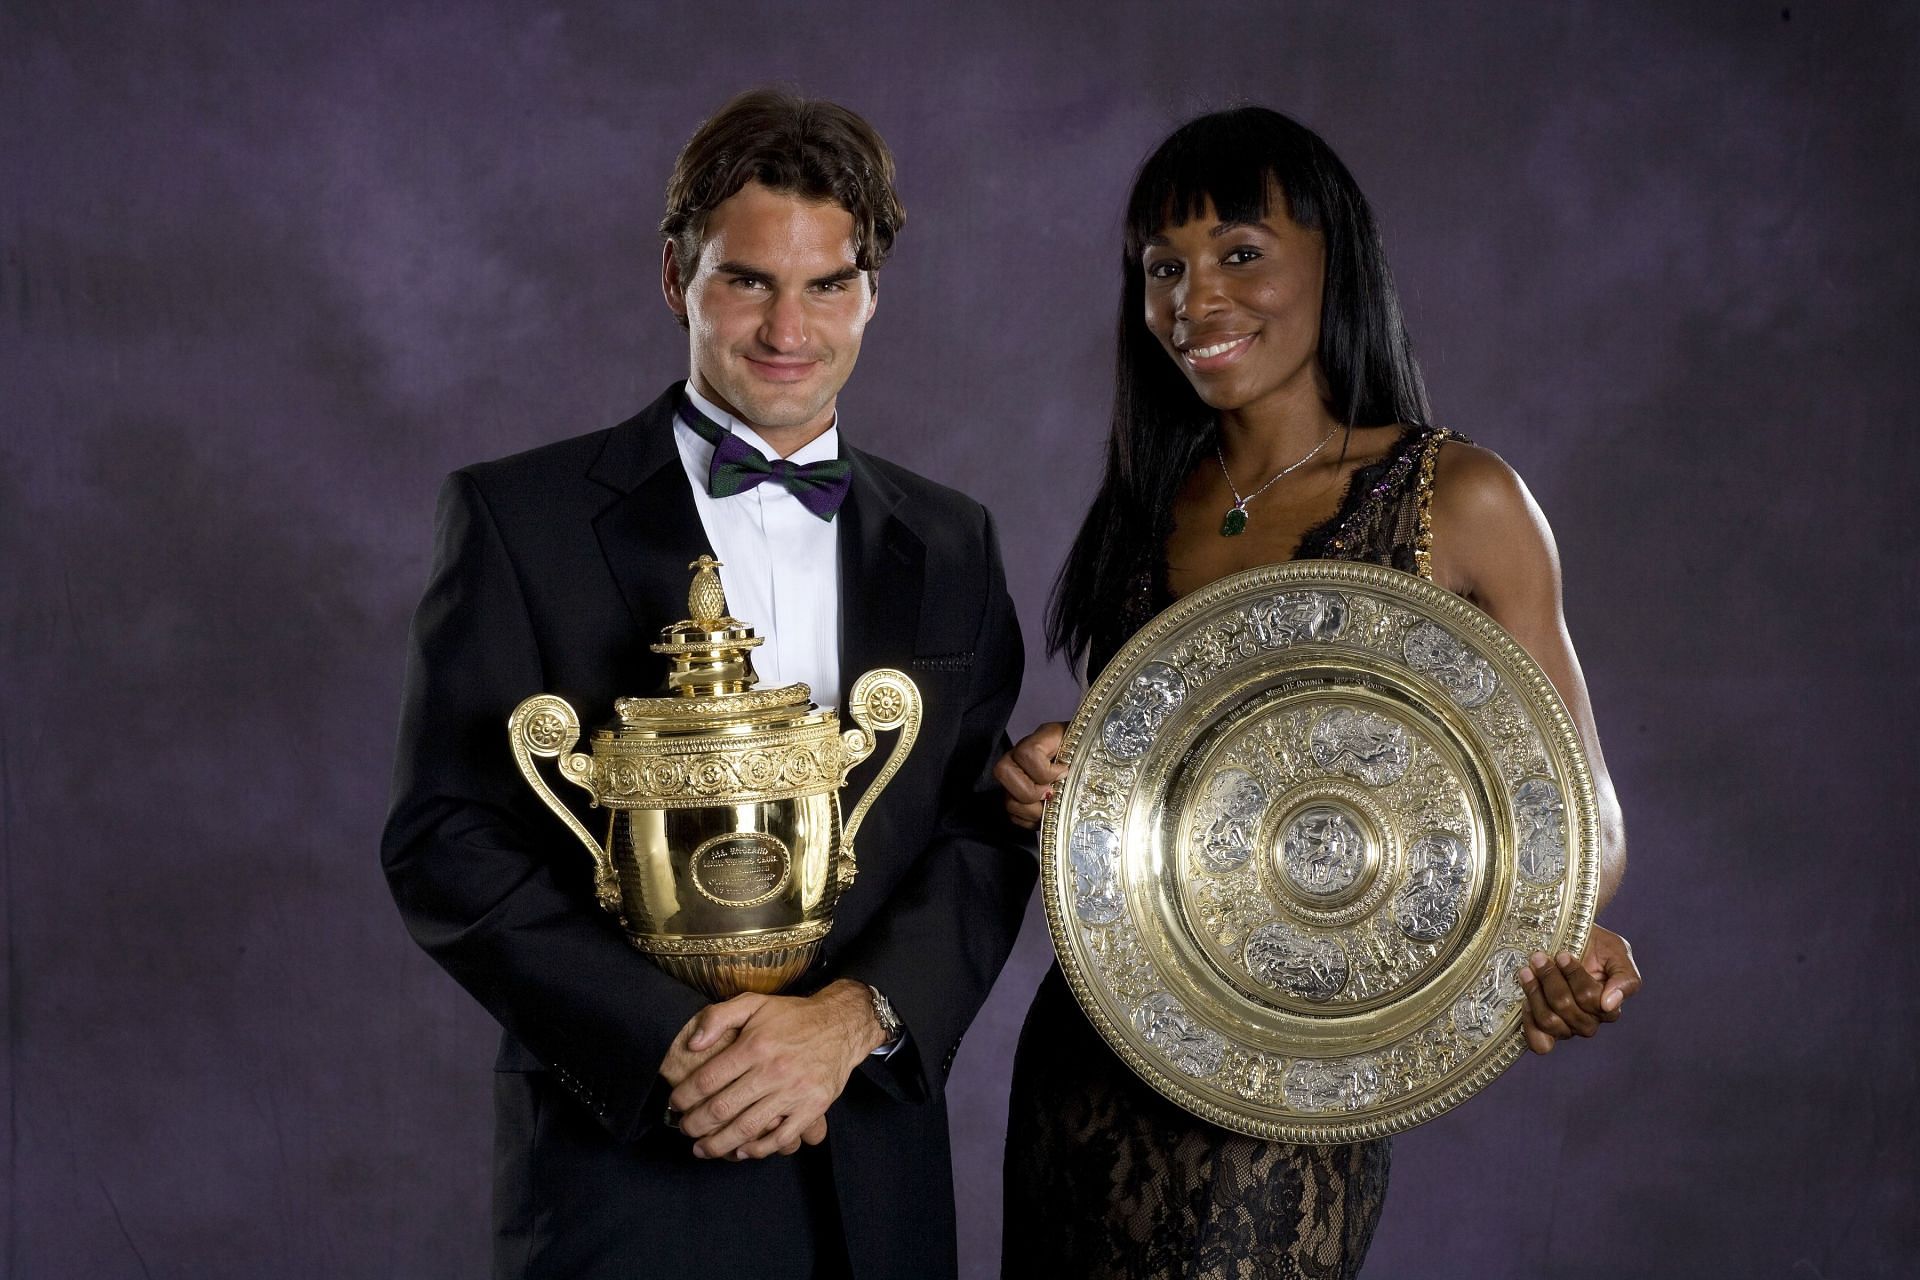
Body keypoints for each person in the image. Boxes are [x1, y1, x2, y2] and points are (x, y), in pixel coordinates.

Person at [382, 89, 1035, 1280]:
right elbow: (444, 838)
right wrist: (683, 1046)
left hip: (875, 1165)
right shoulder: (516, 518)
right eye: (748, 280)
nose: (790, 326)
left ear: (873, 289)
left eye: (828, 284)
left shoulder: (956, 541)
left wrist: (849, 1022)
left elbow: (978, 831)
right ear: (676, 276)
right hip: (626, 1161)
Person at [993, 107, 1643, 1280]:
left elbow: (1580, 812)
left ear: (1334, 257)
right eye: (1163, 268)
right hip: (1096, 1054)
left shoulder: (1462, 495)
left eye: (1240, 251)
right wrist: (1045, 770)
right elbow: (1152, 777)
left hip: (1301, 1078)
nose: (1196, 299)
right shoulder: (1155, 496)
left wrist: (1565, 931)